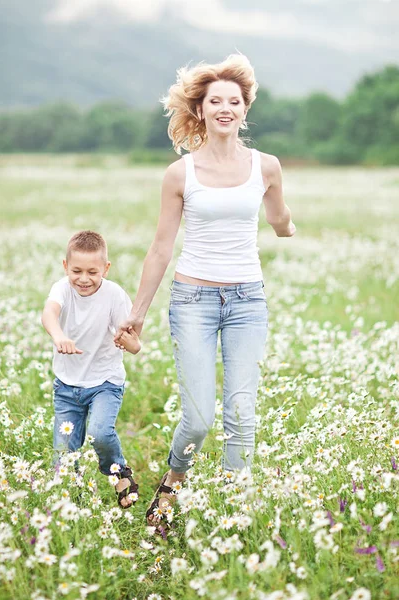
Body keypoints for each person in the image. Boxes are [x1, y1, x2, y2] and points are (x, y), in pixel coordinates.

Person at [115, 54, 295, 529]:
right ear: (200, 110)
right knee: (198, 420)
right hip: (192, 300)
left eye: (233, 101)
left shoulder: (267, 167)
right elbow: (159, 249)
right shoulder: (181, 174)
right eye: (215, 100)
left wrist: (287, 226)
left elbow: (279, 219)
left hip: (247, 303)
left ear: (244, 109)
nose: (225, 108)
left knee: (242, 413)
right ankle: (172, 484)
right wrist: (137, 313)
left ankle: (232, 519)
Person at [42, 230, 141, 508]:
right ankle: (69, 504)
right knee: (63, 453)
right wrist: (59, 336)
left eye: (92, 272)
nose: (83, 279)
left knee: (99, 431)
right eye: (76, 271)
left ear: (105, 269)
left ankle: (118, 470)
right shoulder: (61, 288)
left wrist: (131, 344)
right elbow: (49, 313)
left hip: (105, 382)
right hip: (67, 386)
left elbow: (133, 343)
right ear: (65, 266)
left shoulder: (114, 295)